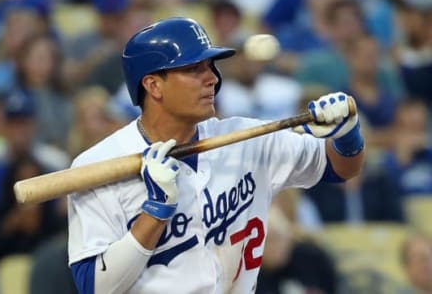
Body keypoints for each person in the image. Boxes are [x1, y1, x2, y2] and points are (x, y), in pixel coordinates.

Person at [67, 17, 365, 293]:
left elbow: (340, 168)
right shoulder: (97, 165)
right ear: (153, 85)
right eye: (194, 69)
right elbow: (93, 287)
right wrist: (155, 213)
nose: (212, 78)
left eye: (211, 66)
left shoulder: (246, 138)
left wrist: (347, 136)